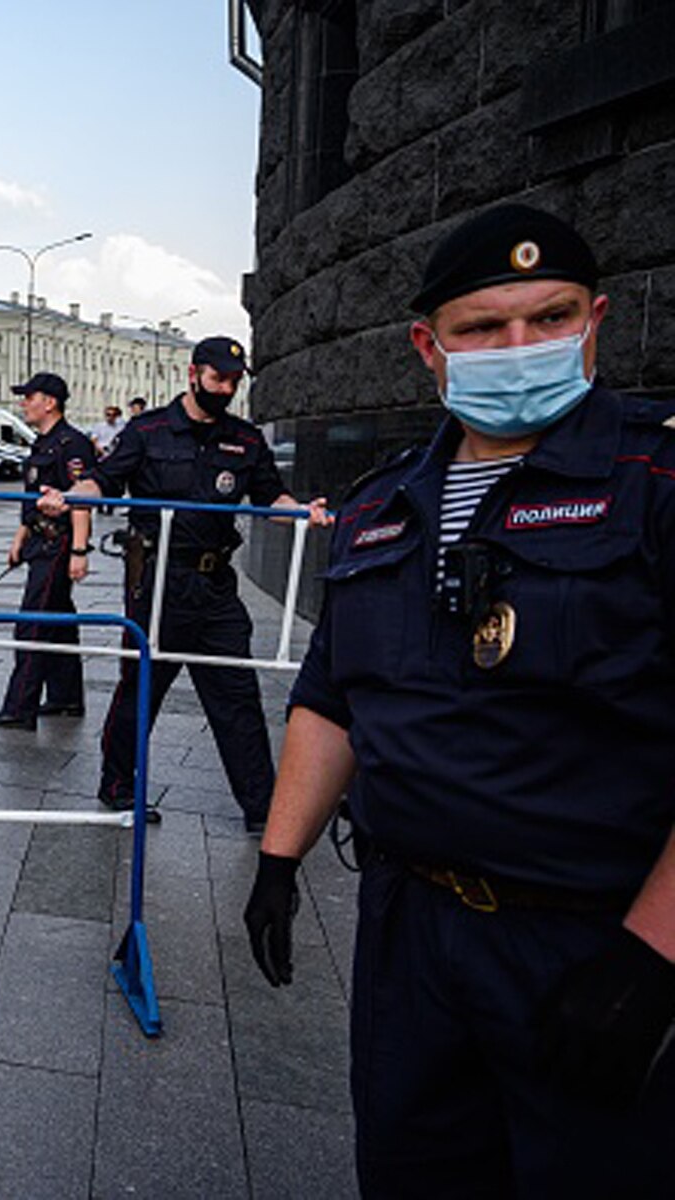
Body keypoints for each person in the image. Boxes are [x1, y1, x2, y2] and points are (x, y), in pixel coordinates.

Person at [244, 205, 675, 1199]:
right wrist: (278, 860)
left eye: (549, 317)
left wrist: (653, 957)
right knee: (413, 1172)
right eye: (483, 327)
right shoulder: (382, 502)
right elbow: (334, 694)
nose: (520, 348)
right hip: (410, 930)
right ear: (429, 347)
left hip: (591, 937)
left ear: (595, 320)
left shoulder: (655, 482)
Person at [39, 338, 329, 829]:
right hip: (157, 579)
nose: (227, 389)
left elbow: (271, 498)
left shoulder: (245, 439)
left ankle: (262, 808)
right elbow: (104, 480)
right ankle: (118, 785)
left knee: (237, 693)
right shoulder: (147, 430)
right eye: (218, 379)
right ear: (194, 374)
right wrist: (69, 496)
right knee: (142, 686)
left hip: (215, 584)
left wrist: (302, 512)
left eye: (234, 381)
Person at [0, 372, 93, 731]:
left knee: (33, 623)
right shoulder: (42, 443)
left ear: (50, 403)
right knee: (59, 622)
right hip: (40, 541)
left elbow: (81, 500)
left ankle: (19, 708)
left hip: (58, 545)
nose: (23, 403)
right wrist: (19, 538)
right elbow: (32, 499)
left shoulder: (72, 444)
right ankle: (66, 697)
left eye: (30, 397)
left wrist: (79, 551)